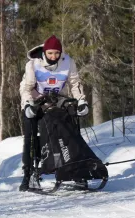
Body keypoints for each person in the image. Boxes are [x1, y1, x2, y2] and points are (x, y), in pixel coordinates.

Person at [19, 35, 89, 191]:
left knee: (71, 131)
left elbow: (75, 83)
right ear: (45, 52)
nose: (53, 57)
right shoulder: (33, 65)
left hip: (58, 101)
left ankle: (76, 171)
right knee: (30, 136)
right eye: (50, 53)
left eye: (57, 53)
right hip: (36, 102)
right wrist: (28, 105)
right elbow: (26, 87)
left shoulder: (68, 62)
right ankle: (28, 174)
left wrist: (81, 101)